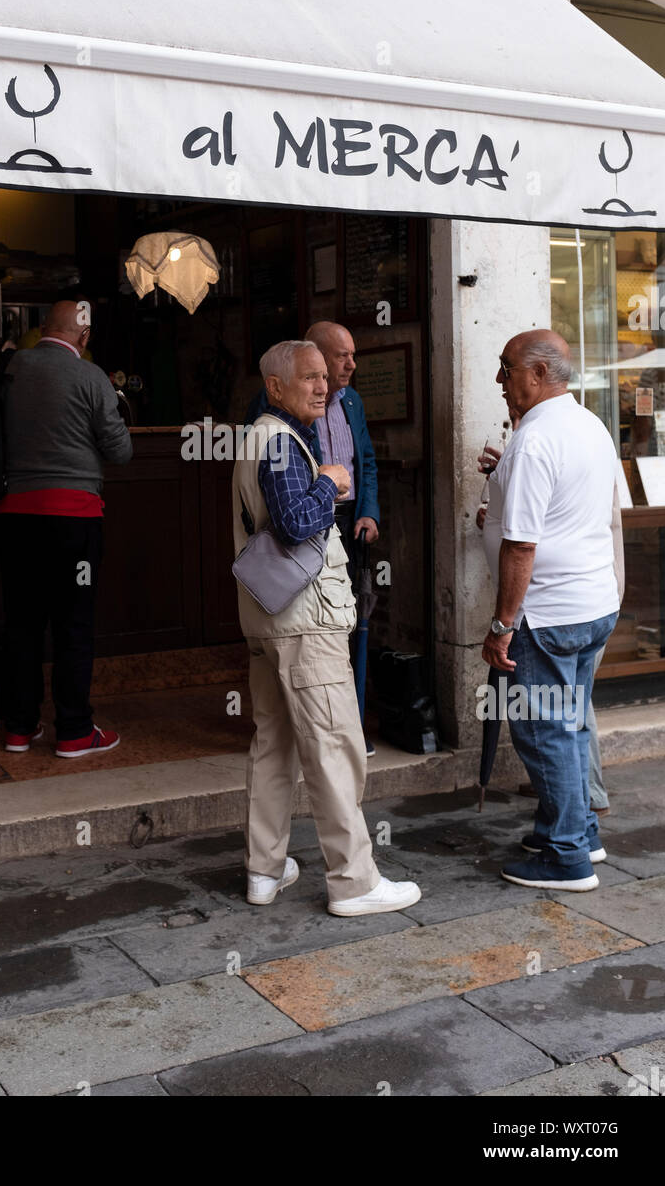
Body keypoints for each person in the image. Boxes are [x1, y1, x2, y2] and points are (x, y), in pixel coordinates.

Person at [233, 339, 421, 916]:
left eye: (324, 377)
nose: (323, 386)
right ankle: (354, 881)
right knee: (335, 746)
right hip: (304, 624)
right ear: (275, 387)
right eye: (310, 377)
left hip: (270, 621)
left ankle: (264, 871)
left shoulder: (259, 435)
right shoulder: (283, 443)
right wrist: (333, 481)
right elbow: (293, 524)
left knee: (274, 744)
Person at [481, 330, 619, 892]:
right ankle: (578, 830)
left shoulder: (536, 440)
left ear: (539, 373)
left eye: (507, 368)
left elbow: (521, 546)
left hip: (549, 613)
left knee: (544, 732)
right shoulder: (588, 424)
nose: (500, 380)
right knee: (571, 723)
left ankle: (566, 857)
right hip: (592, 605)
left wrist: (501, 626)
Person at [0, 299, 132, 758]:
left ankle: (19, 728)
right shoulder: (91, 377)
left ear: (42, 329)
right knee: (74, 624)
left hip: (15, 518)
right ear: (85, 336)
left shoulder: (10, 370)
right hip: (74, 520)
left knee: (22, 623)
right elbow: (120, 450)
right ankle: (73, 731)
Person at [247, 322, 380, 567]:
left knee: (341, 593)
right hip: (309, 523)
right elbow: (293, 524)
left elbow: (367, 462)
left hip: (349, 520)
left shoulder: (352, 401)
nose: (352, 365)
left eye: (353, 355)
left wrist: (368, 512)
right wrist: (329, 483)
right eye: (342, 356)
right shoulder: (276, 427)